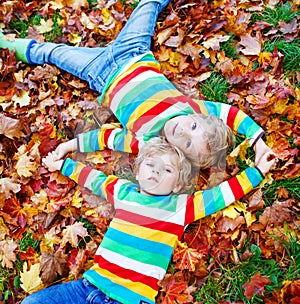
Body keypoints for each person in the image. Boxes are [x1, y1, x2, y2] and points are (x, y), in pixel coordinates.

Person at [0, 0, 273, 170]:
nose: (183, 131)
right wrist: (258, 143)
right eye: (193, 127)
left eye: (187, 144)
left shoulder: (147, 142)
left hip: (99, 72)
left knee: (52, 53)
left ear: (178, 153)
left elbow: (106, 138)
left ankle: (10, 44)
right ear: (198, 117)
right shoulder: (189, 106)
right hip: (134, 50)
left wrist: (69, 147)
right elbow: (231, 114)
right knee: (150, 3)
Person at [19, 136, 276, 304]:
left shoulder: (180, 207)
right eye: (151, 165)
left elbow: (220, 195)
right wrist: (61, 165)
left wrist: (257, 171)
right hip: (87, 286)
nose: (156, 171)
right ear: (138, 170)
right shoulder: (123, 192)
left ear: (177, 185)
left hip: (130, 299)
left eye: (167, 170)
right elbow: (92, 178)